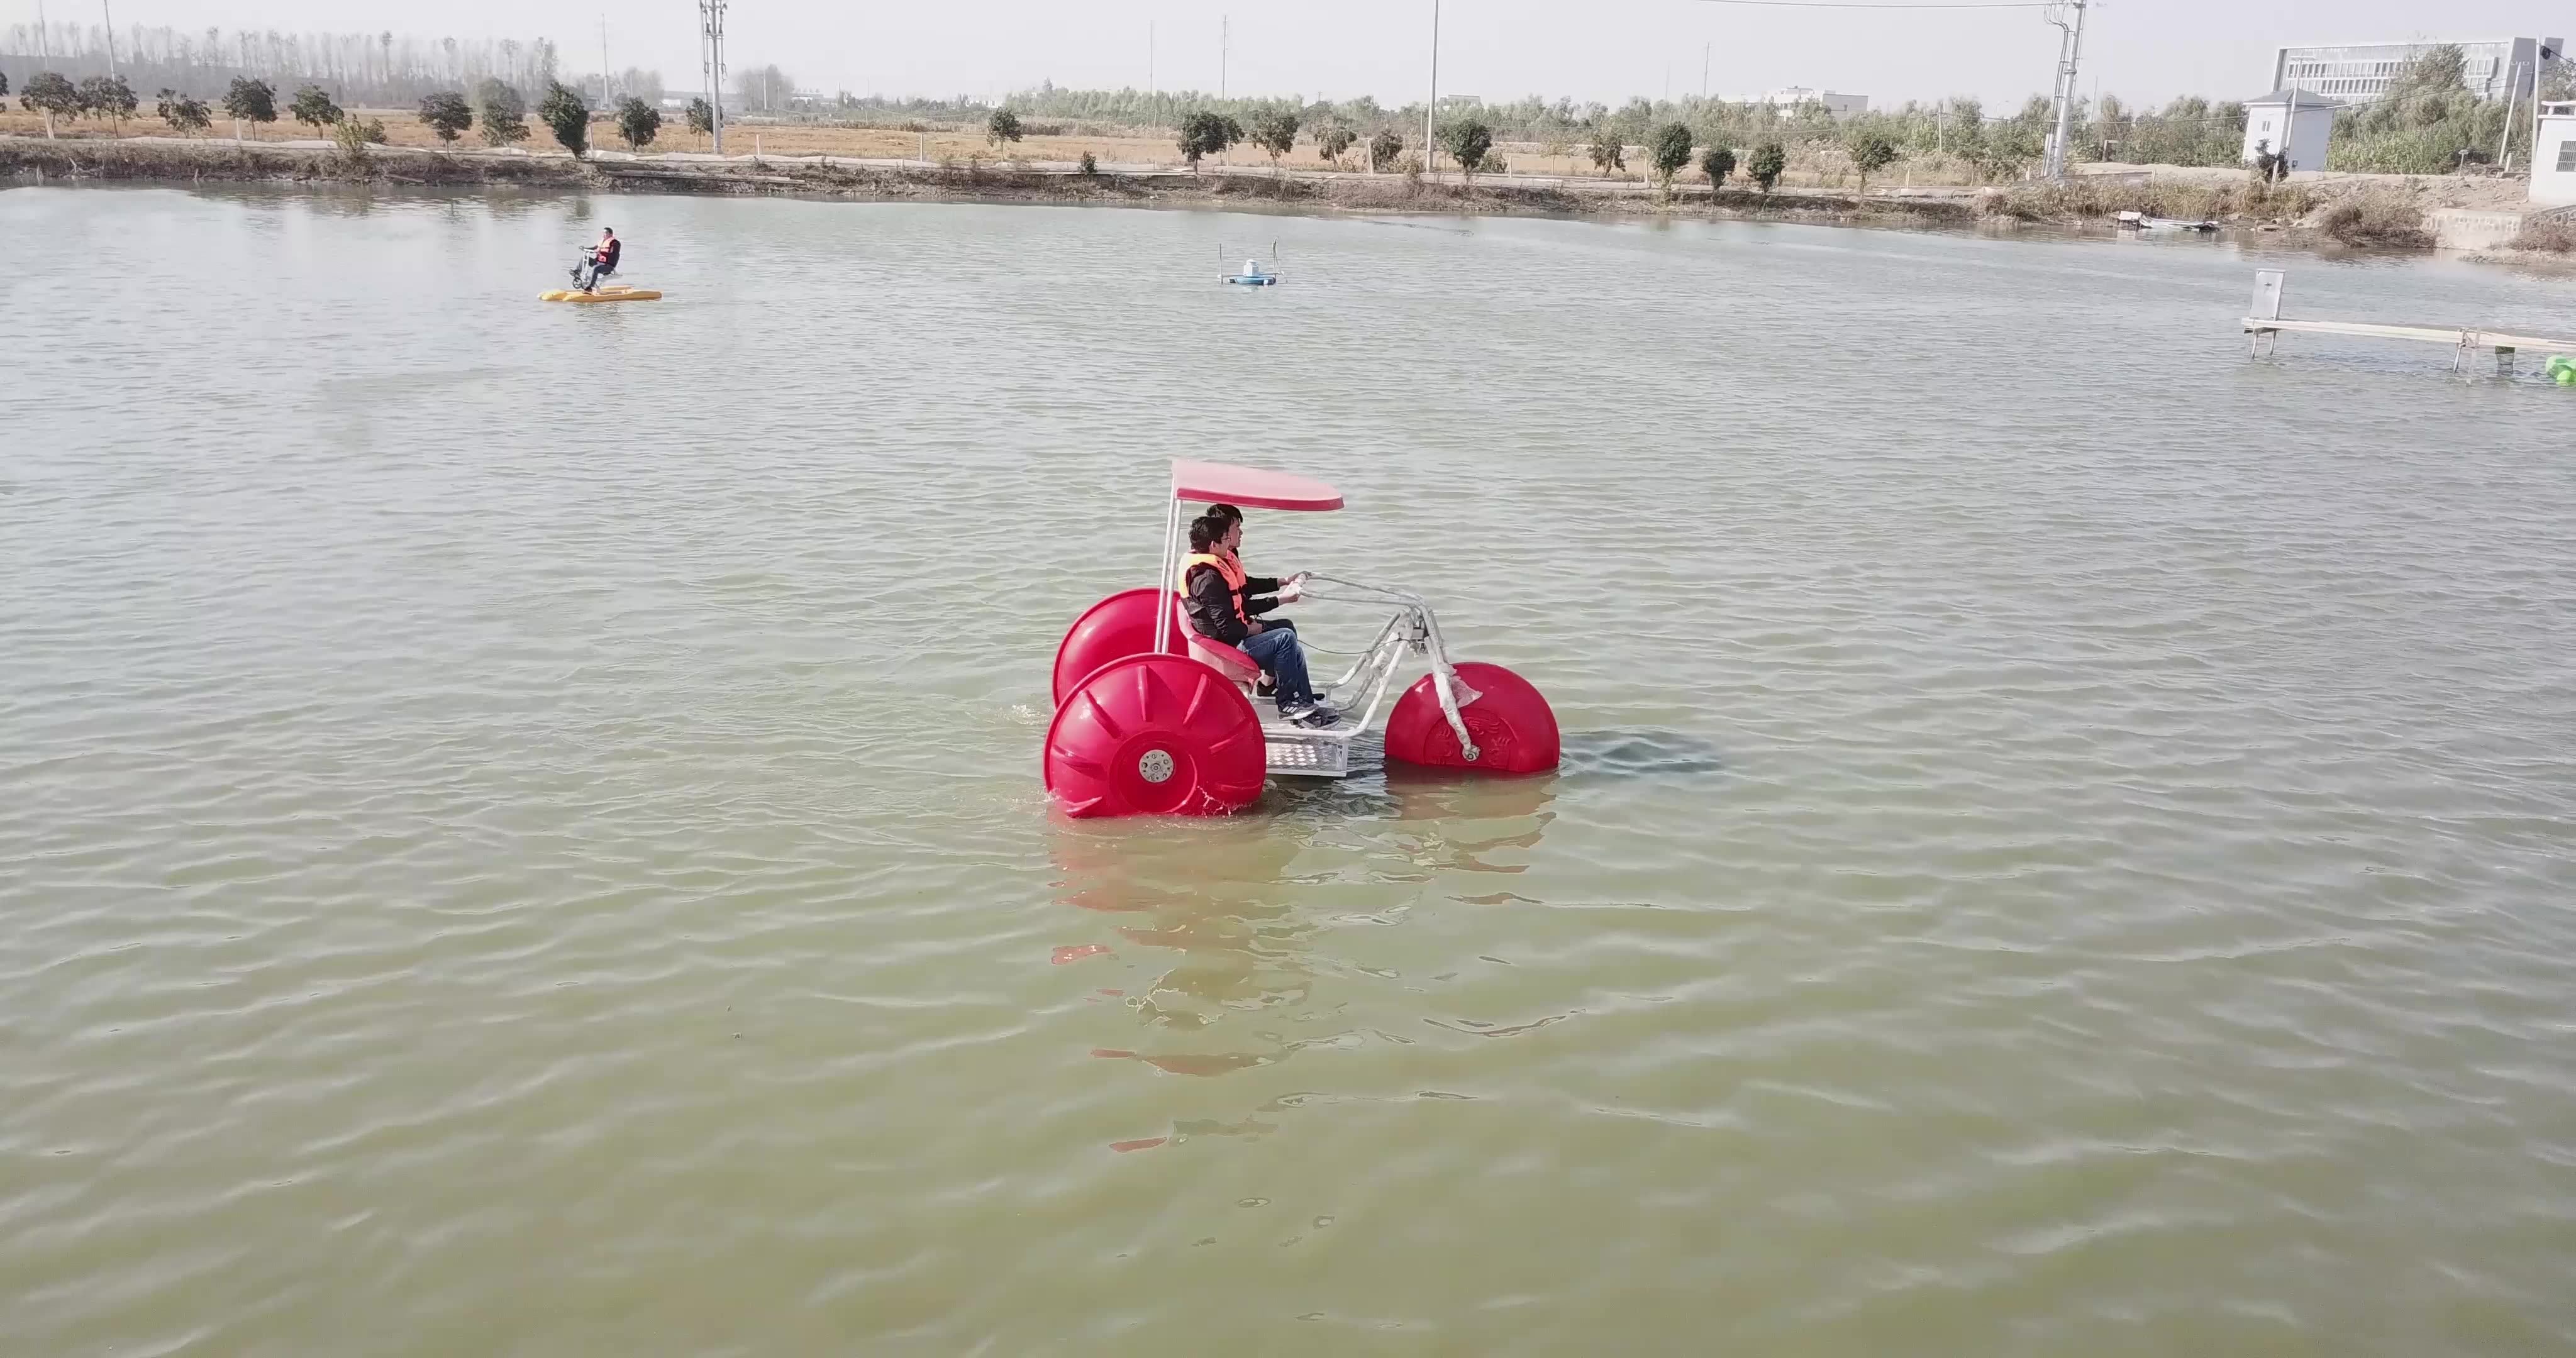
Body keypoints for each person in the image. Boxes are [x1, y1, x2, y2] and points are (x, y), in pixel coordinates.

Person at [1180, 514, 1336, 727]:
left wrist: (1279, 588)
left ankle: (1303, 702)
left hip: (1230, 639)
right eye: (1226, 539)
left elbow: (1238, 604)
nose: (1230, 543)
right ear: (1213, 544)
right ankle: (1288, 703)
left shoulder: (1215, 568)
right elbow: (1228, 629)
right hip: (1226, 649)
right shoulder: (1208, 580)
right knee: (1285, 638)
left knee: (1291, 642)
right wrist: (1256, 628)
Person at [573, 227, 621, 292]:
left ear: (611, 235)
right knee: (584, 258)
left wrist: (600, 250)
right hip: (598, 262)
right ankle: (577, 272)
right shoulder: (602, 242)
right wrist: (585, 248)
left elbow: (612, 252)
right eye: (603, 233)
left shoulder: (616, 243)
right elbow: (594, 248)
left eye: (605, 233)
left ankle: (590, 287)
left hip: (608, 265)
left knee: (596, 269)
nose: (603, 235)